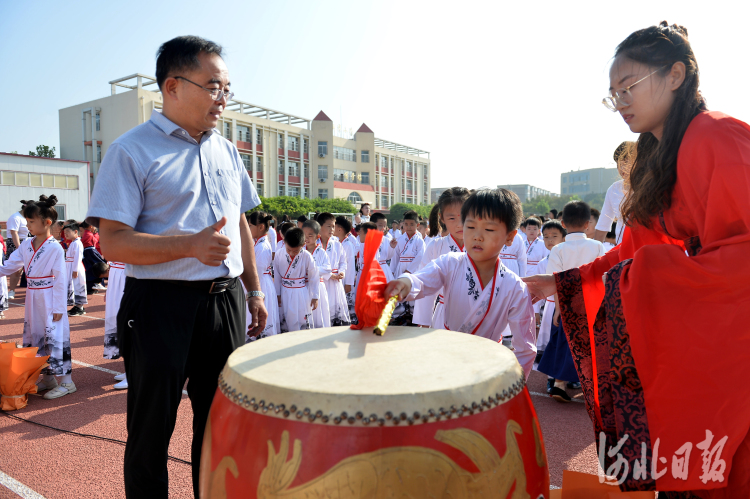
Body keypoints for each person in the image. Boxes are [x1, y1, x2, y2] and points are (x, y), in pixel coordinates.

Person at [526, 22, 750, 495]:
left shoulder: (717, 136)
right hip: (713, 326)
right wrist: (565, 283)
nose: (621, 101)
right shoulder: (660, 156)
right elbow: (637, 249)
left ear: (675, 75)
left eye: (628, 87)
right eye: (613, 94)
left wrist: (657, 276)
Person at [86, 36, 268, 498]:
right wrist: (188, 245)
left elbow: (242, 222)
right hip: (160, 305)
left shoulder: (226, 151)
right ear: (172, 86)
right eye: (213, 87)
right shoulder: (130, 151)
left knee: (222, 425)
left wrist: (254, 290)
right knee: (151, 430)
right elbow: (112, 241)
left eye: (227, 88)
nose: (223, 99)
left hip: (224, 302)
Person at [385, 188, 537, 379]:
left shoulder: (515, 287)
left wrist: (513, 383)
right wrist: (405, 282)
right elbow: (423, 279)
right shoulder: (449, 262)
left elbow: (525, 348)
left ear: (510, 236)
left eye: (489, 229)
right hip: (446, 358)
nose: (477, 236)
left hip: (487, 368)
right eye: (470, 226)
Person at [0, 196, 75, 399]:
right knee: (36, 336)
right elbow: (10, 266)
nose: (28, 225)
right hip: (33, 297)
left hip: (50, 297)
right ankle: (48, 378)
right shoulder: (26, 245)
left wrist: (59, 307)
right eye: (27, 221)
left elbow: (60, 279)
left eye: (32, 221)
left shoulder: (55, 248)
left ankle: (67, 382)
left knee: (55, 336)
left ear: (47, 222)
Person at [537, 201, 603, 402]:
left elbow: (555, 281)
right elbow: (602, 277)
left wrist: (557, 308)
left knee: (564, 341)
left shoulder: (559, 250)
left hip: (566, 301)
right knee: (592, 342)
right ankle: (591, 385)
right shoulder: (598, 246)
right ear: (587, 224)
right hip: (591, 301)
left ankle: (559, 383)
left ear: (563, 223)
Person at [412, 187, 469, 328]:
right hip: (444, 314)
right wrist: (424, 322)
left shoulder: (484, 245)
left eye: (464, 216)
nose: (459, 224)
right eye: (451, 218)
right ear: (442, 218)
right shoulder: (435, 246)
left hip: (479, 314)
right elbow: (424, 284)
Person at [274, 227, 319, 332]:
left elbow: (314, 276)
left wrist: (315, 296)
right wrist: (278, 294)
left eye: (295, 251)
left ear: (303, 245)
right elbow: (277, 276)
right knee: (286, 318)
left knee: (301, 318)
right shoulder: (279, 254)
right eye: (288, 250)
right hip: (284, 290)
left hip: (301, 292)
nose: (291, 253)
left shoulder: (307, 256)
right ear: (284, 242)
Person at [535, 219, 566, 368]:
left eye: (554, 236)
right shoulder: (542, 263)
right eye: (546, 236)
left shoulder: (569, 259)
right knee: (550, 340)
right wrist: (535, 311)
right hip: (550, 306)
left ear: (564, 237)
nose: (550, 240)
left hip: (566, 306)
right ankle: (552, 376)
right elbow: (537, 289)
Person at [594, 141, 636, 244]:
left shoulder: (651, 186)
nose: (621, 168)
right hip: (623, 252)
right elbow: (602, 226)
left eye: (626, 162)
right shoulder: (614, 189)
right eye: (618, 163)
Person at [246, 211, 280, 340]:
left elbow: (258, 272)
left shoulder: (262, 246)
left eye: (250, 226)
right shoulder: (258, 243)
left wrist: (250, 291)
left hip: (261, 284)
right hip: (261, 282)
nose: (247, 229)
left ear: (260, 227)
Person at [388, 210, 426, 324]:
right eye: (406, 224)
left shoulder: (419, 240)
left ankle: (414, 317)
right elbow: (396, 257)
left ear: (417, 225)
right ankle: (400, 315)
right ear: (402, 225)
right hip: (401, 268)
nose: (409, 227)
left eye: (412, 224)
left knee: (413, 292)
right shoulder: (400, 239)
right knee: (400, 291)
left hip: (413, 270)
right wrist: (392, 272)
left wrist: (410, 270)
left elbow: (420, 256)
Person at [317, 213, 350, 326]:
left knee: (336, 312)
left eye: (333, 226)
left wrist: (341, 272)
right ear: (320, 226)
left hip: (336, 283)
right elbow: (312, 265)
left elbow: (343, 262)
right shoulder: (314, 244)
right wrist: (328, 275)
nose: (332, 229)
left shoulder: (336, 244)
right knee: (323, 312)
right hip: (321, 282)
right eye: (328, 226)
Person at [302, 220, 331, 329]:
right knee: (306, 312)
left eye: (310, 235)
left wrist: (311, 270)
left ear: (317, 236)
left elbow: (327, 268)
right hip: (304, 286)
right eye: (304, 235)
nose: (307, 238)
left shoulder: (321, 252)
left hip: (319, 287)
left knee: (320, 313)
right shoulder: (301, 251)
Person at [104, 258, 127, 389]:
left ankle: (133, 373)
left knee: (127, 324)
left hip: (126, 275)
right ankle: (129, 369)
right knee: (116, 322)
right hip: (116, 275)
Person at [334, 216, 357, 323]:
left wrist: (349, 283)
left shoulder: (348, 244)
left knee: (345, 302)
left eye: (333, 226)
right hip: (336, 277)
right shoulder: (335, 242)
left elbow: (351, 265)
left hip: (344, 278)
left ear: (339, 229)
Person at [63, 221, 88, 316]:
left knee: (78, 285)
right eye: (65, 233)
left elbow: (78, 257)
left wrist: (75, 270)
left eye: (68, 232)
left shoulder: (77, 243)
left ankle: (80, 307)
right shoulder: (73, 243)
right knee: (73, 286)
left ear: (75, 231)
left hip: (75, 267)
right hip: (71, 267)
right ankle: (77, 306)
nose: (66, 235)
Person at [6, 200, 30, 300]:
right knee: (17, 268)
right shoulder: (15, 217)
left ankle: (31, 289)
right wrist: (19, 248)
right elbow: (14, 233)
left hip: (27, 241)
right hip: (16, 243)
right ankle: (11, 290)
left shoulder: (29, 217)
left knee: (30, 267)